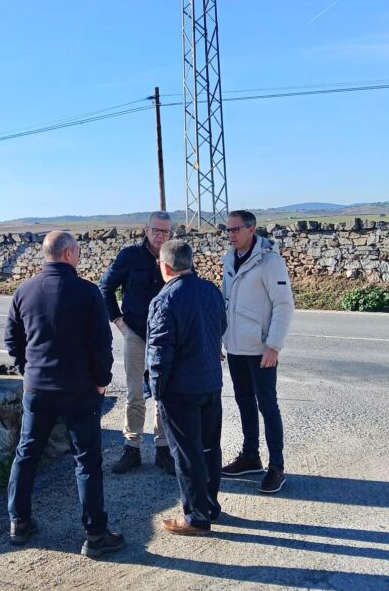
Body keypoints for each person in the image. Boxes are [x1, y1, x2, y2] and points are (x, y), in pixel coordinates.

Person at [5, 231, 125, 557]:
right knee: (86, 460)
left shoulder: (24, 290)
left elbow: (12, 339)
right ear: (69, 253)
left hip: (37, 388)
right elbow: (101, 344)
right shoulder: (87, 292)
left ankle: (19, 522)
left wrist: (25, 370)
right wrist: (102, 381)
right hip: (79, 390)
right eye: (78, 251)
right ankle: (96, 534)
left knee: (27, 454)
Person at [146, 240, 227, 536]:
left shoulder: (164, 300)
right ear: (190, 263)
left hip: (180, 389)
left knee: (186, 452)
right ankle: (209, 505)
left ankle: (195, 517)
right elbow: (221, 325)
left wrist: (157, 390)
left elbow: (159, 352)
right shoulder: (210, 290)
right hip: (210, 381)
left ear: (165, 266)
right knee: (208, 447)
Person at [221, 210, 294, 494]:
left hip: (261, 349)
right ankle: (250, 456)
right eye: (227, 230)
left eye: (235, 230)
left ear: (251, 229)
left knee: (267, 406)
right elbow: (224, 302)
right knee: (243, 403)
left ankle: (277, 467)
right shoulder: (230, 258)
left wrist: (274, 345)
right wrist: (219, 339)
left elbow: (283, 305)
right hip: (236, 347)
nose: (230, 235)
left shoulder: (270, 261)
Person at [98, 211, 175, 474]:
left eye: (165, 231)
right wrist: (119, 322)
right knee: (134, 395)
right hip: (136, 334)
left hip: (166, 338)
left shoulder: (174, 255)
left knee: (164, 394)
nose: (160, 235)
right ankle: (132, 449)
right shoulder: (129, 256)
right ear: (146, 229)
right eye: (156, 230)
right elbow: (105, 287)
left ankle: (163, 449)